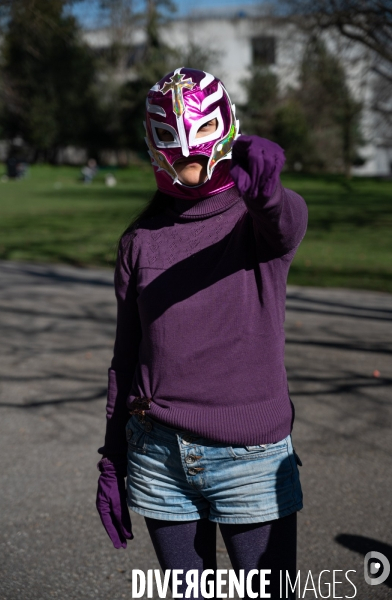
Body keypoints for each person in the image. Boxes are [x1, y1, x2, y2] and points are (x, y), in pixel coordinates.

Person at [96, 67, 308, 599]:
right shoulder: (140, 240)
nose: (190, 165)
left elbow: (285, 223)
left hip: (251, 458)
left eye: (198, 152)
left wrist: (267, 195)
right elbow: (126, 357)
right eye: (177, 153)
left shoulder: (255, 224)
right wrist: (112, 455)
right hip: (159, 455)